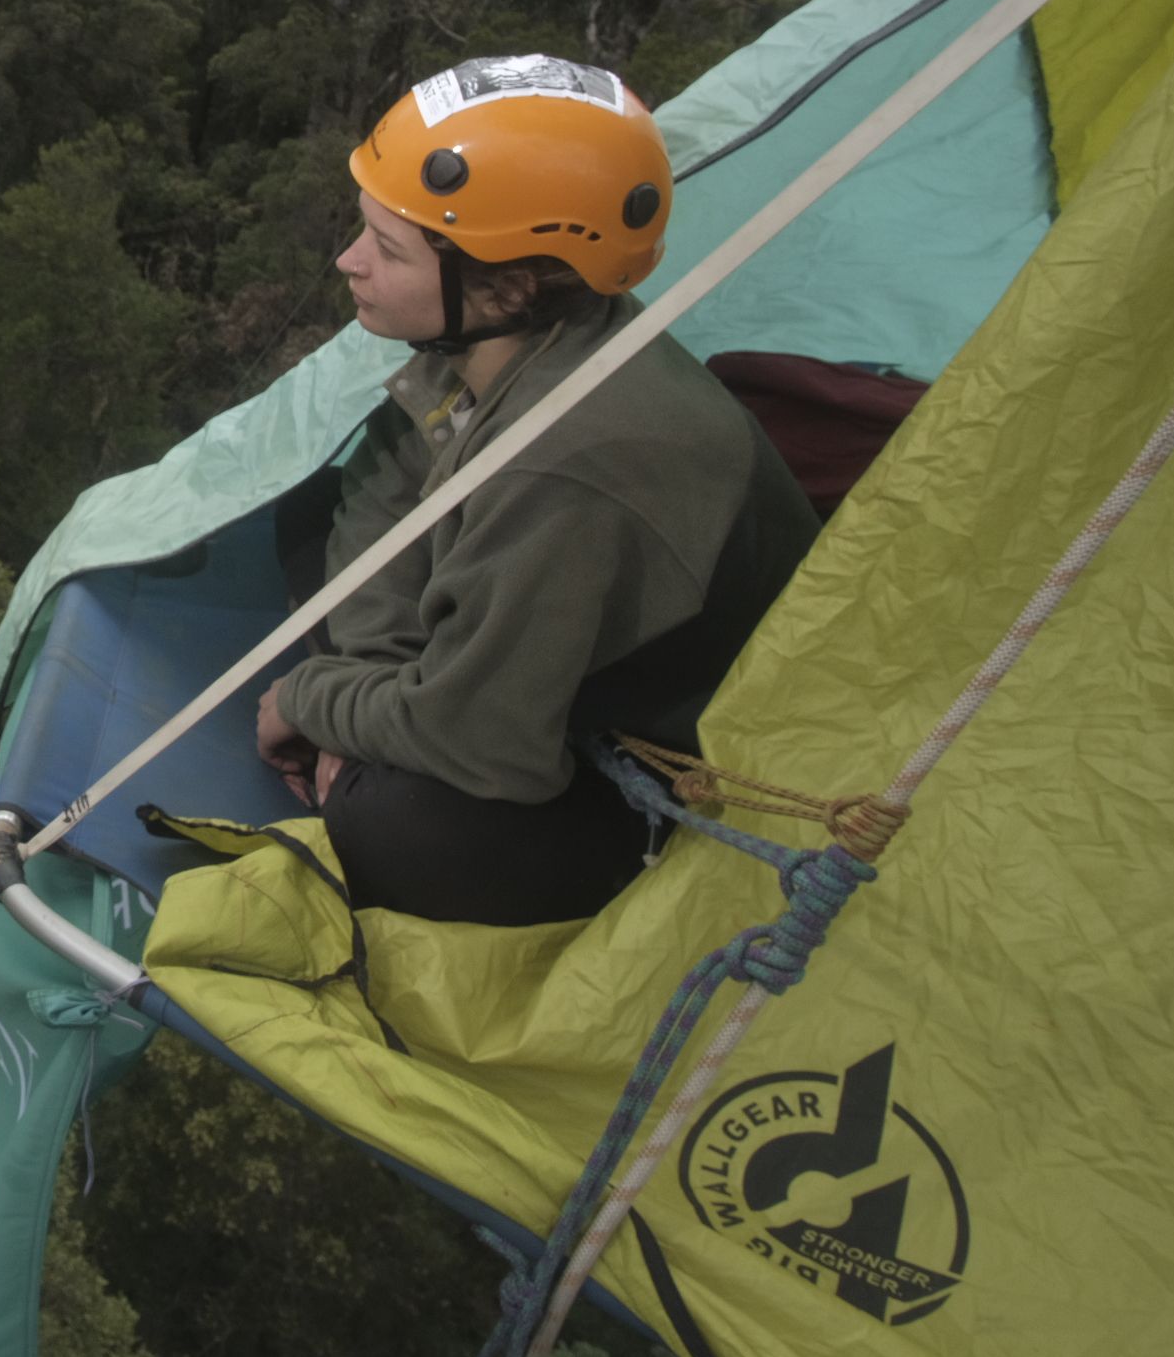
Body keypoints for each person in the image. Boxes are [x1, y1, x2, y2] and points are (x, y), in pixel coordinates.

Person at [255, 55, 820, 926]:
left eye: (387, 247)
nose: (349, 261)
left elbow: (484, 748)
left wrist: (307, 700)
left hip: (676, 762)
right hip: (545, 668)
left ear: (510, 284)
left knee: (404, 832)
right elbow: (395, 473)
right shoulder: (528, 333)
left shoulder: (566, 462)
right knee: (318, 517)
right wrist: (364, 684)